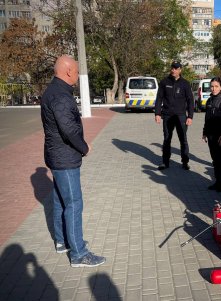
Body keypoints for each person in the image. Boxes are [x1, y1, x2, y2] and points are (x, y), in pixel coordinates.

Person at [41, 55, 105, 267]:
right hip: (64, 158)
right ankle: (78, 253)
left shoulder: (53, 91)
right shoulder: (60, 96)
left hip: (57, 156)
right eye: (77, 71)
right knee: (74, 204)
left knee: (60, 200)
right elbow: (68, 129)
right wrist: (84, 147)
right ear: (68, 71)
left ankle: (63, 242)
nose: (77, 75)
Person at [154, 61, 194, 170]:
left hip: (181, 116)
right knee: (167, 139)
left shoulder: (185, 83)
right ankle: (165, 162)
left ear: (180, 70)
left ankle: (185, 162)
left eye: (176, 68)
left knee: (183, 139)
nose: (173, 70)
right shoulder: (164, 82)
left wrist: (190, 116)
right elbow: (159, 99)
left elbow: (190, 100)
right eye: (172, 68)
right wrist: (157, 113)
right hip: (167, 115)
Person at [202, 77, 221, 192]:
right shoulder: (210, 100)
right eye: (212, 86)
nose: (213, 88)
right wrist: (204, 132)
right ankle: (218, 182)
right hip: (211, 135)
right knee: (215, 160)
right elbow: (207, 118)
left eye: (216, 86)